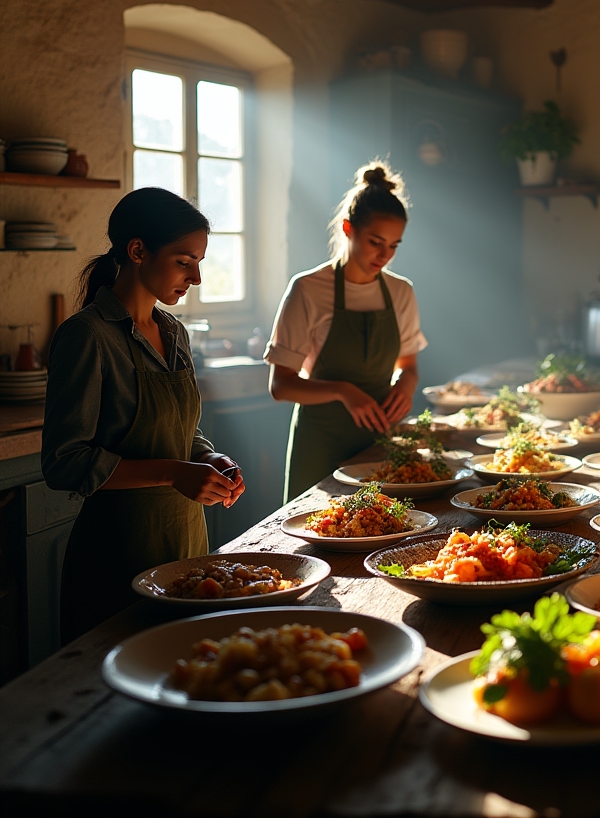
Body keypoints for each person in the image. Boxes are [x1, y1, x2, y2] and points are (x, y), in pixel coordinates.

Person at [43, 188, 244, 643]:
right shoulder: (87, 336)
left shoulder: (174, 333)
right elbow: (64, 462)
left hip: (187, 544)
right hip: (116, 553)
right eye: (183, 261)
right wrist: (174, 472)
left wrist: (209, 460)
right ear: (137, 251)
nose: (195, 278)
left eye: (199, 263)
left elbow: (183, 432)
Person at [267, 162, 427, 502]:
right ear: (347, 228)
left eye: (394, 246)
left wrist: (406, 387)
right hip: (320, 445)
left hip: (378, 446)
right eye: (375, 242)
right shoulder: (308, 289)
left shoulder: (401, 292)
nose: (384, 256)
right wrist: (344, 391)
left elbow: (408, 365)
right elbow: (281, 386)